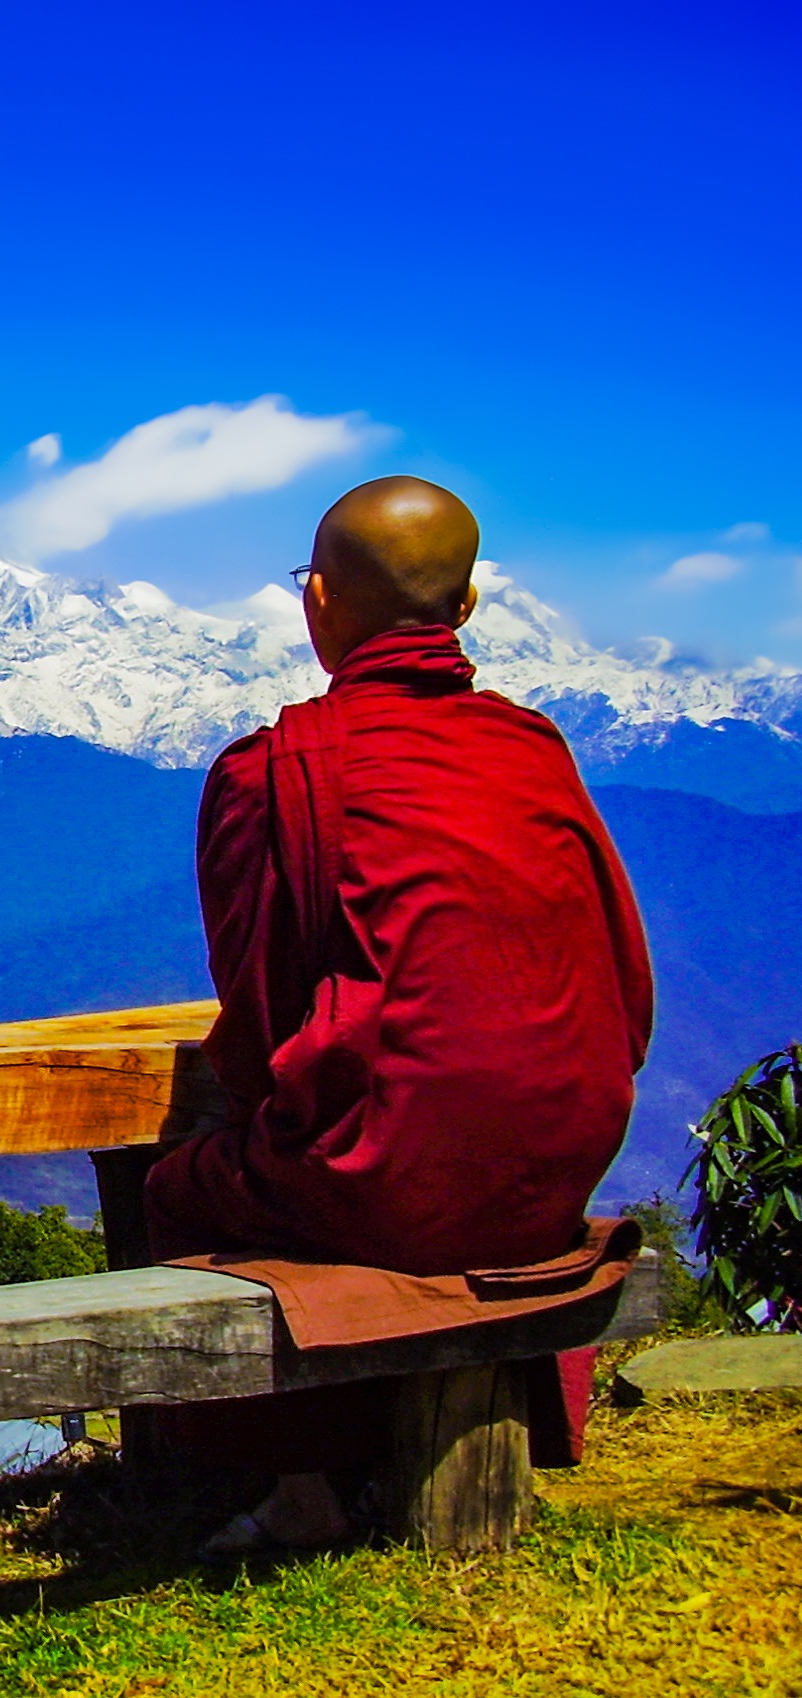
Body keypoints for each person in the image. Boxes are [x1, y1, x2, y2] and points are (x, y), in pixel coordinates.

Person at [143, 476, 654, 1554]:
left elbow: (265, 1008)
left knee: (187, 1189)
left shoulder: (273, 770)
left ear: (315, 601)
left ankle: (301, 1489)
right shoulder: (536, 752)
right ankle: (418, 1446)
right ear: (465, 610)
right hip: (558, 1163)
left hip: (385, 1176)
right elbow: (622, 977)